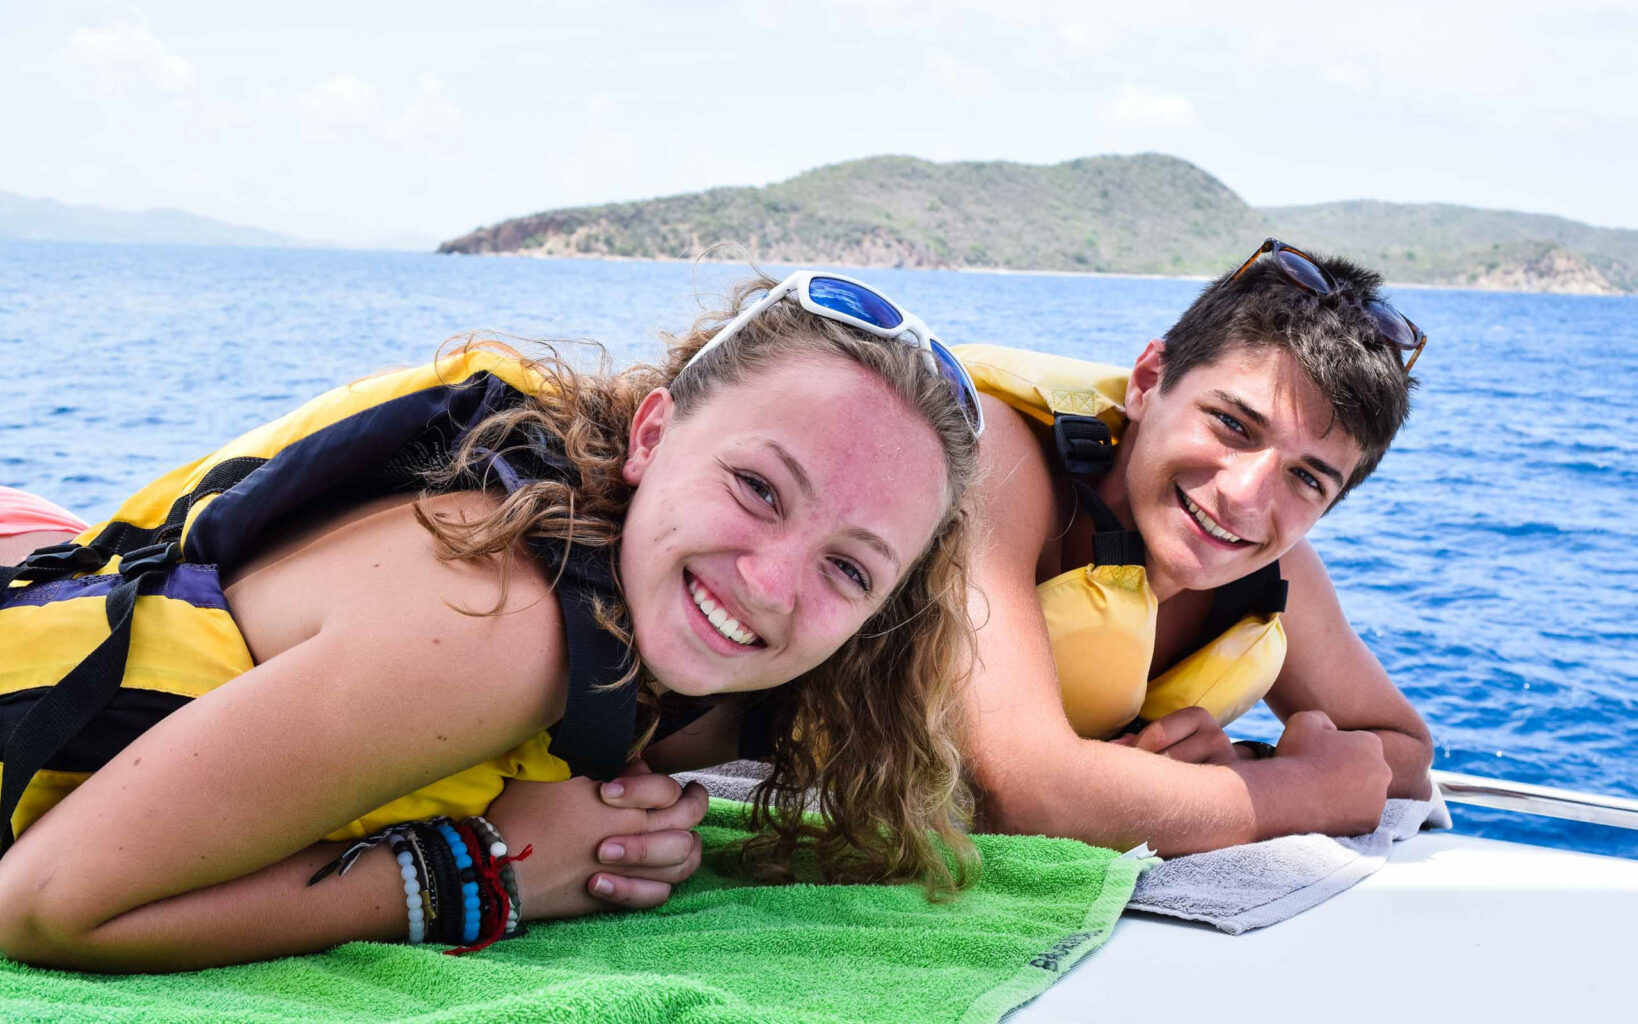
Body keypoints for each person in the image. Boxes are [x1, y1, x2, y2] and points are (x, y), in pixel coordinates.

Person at [0, 270, 984, 972]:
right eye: (758, 486)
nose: (772, 585)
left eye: (850, 566)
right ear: (651, 434)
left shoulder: (649, 603)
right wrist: (488, 871)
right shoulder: (494, 625)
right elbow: (42, 904)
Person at [955, 239, 1436, 855]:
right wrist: (1307, 791)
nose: (1244, 497)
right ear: (1149, 381)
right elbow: (1025, 792)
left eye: (1308, 478)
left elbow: (1402, 750)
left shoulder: (1273, 570)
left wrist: (1244, 763)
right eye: (1233, 425)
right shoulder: (998, 459)